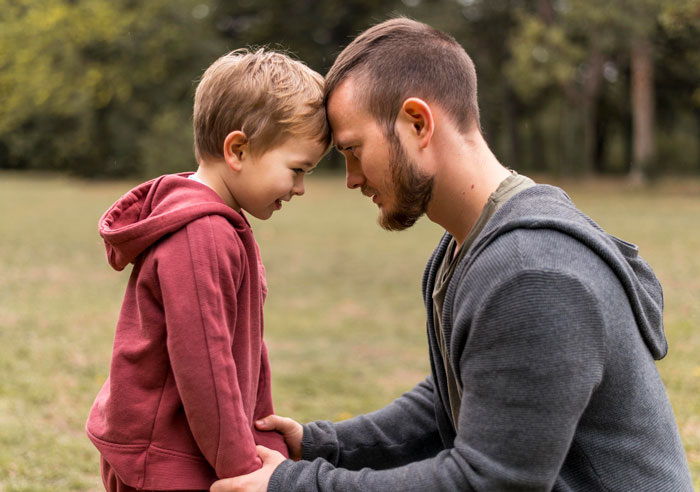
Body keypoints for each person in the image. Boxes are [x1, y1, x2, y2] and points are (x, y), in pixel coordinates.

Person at [210, 18, 694, 492]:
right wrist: (324, 444)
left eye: (354, 150)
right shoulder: (472, 243)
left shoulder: (534, 271)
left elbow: (492, 481)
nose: (352, 178)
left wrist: (295, 485)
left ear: (417, 122)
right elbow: (452, 397)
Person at [86, 48, 330, 492]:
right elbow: (204, 365)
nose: (300, 188)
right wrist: (241, 469)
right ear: (237, 149)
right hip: (167, 459)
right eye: (297, 169)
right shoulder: (203, 233)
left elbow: (238, 344)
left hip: (192, 449)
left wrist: (259, 432)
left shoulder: (217, 223)